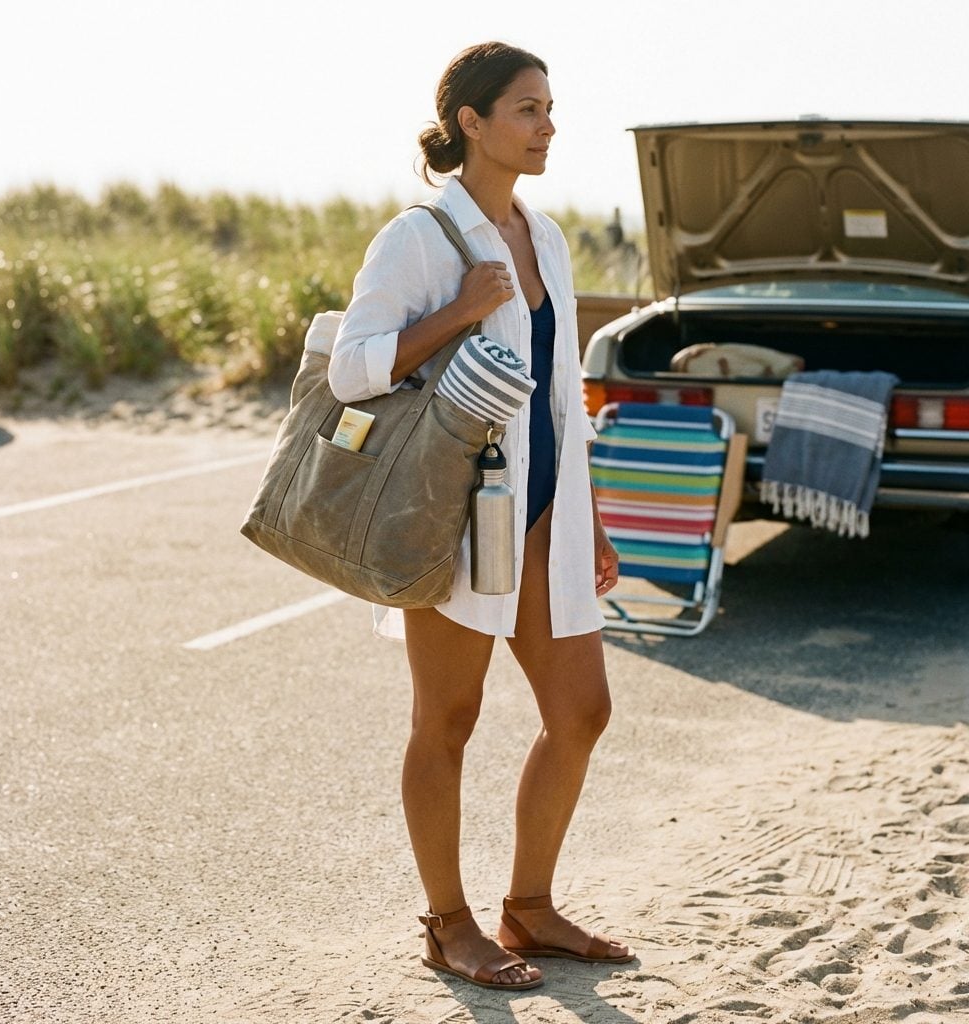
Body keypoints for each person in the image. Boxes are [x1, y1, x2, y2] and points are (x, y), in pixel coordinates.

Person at [328, 41, 634, 991]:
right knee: (448, 720)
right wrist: (461, 309)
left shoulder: (547, 239)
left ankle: (529, 908)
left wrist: (592, 516)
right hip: (451, 516)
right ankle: (448, 923)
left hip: (545, 513)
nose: (548, 127)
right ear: (471, 122)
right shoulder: (419, 238)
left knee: (581, 712)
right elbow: (351, 370)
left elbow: (561, 396)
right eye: (527, 110)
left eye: (549, 108)